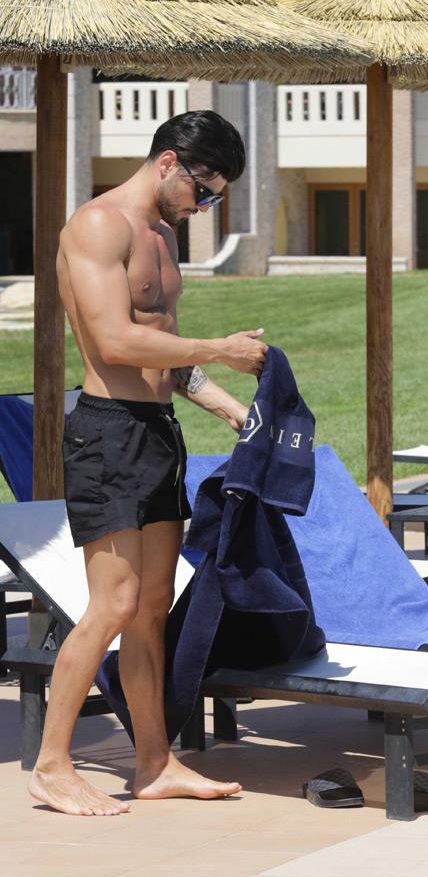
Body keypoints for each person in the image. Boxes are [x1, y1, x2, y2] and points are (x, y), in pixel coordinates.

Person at [29, 110, 268, 816]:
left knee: (151, 612)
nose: (205, 206)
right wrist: (220, 347)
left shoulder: (161, 236)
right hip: (107, 433)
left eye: (216, 197)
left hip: (158, 431)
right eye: (204, 190)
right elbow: (114, 341)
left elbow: (165, 351)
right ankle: (51, 765)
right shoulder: (98, 226)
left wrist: (230, 408)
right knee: (114, 603)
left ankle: (154, 763)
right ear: (168, 162)